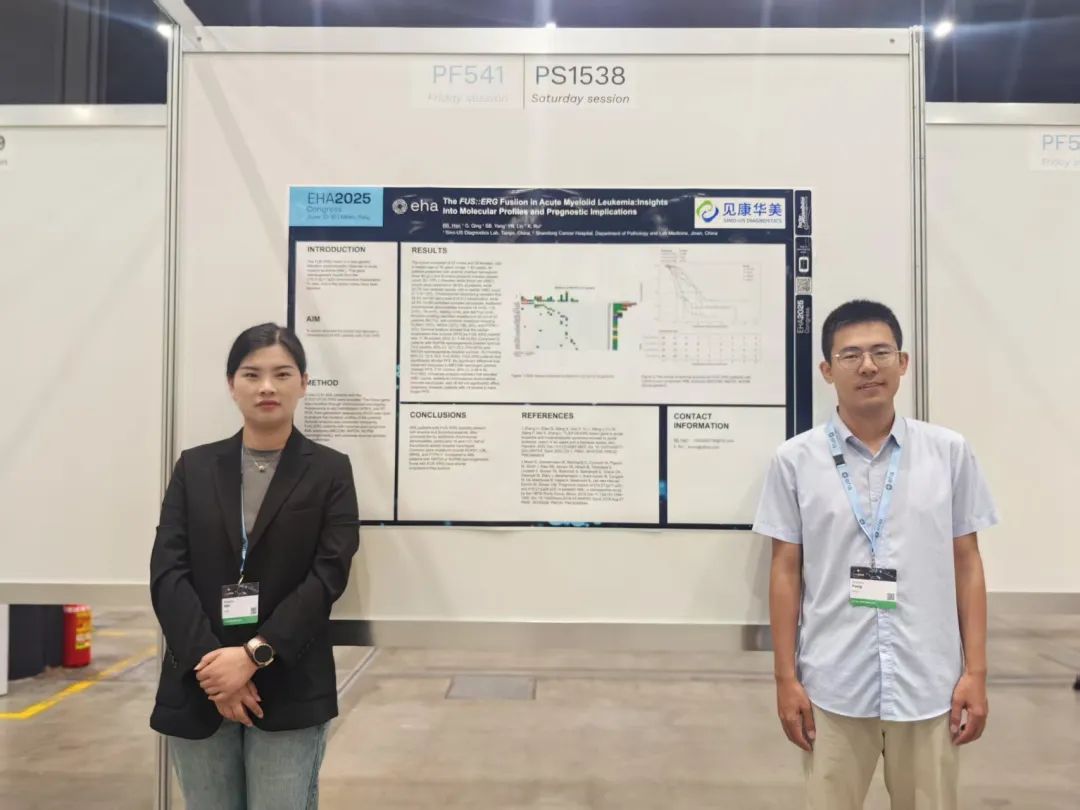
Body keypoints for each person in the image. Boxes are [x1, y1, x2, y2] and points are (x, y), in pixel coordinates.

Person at [753, 300, 998, 810]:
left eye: (881, 352)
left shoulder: (948, 453)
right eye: (851, 355)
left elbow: (967, 563)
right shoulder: (795, 461)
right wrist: (785, 679)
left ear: (902, 363)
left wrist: (975, 673)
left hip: (929, 684)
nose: (868, 366)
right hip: (833, 683)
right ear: (827, 370)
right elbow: (785, 570)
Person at [149, 323, 359, 810]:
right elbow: (167, 572)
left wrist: (252, 656)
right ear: (232, 385)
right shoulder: (195, 467)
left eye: (282, 374)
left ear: (303, 383)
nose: (267, 386)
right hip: (199, 681)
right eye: (252, 374)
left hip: (289, 681)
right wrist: (214, 667)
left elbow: (328, 576)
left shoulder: (330, 470)